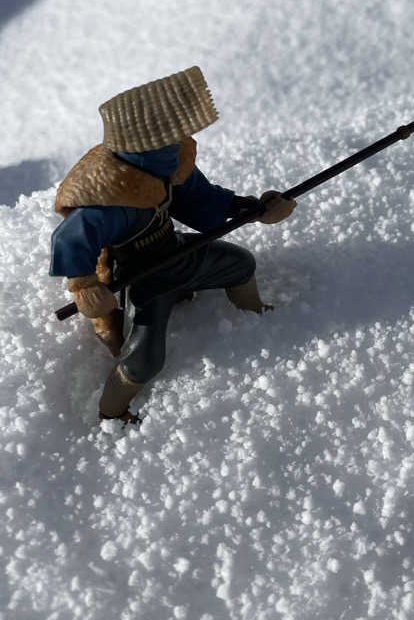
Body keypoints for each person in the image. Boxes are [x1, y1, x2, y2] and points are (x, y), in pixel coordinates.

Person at [50, 65, 295, 423]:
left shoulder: (167, 168)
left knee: (240, 265)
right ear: (142, 144)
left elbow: (201, 200)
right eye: (167, 138)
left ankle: (257, 315)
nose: (179, 142)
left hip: (178, 251)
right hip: (143, 278)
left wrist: (249, 208)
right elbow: (70, 237)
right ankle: (112, 414)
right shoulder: (114, 196)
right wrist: (85, 286)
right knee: (144, 359)